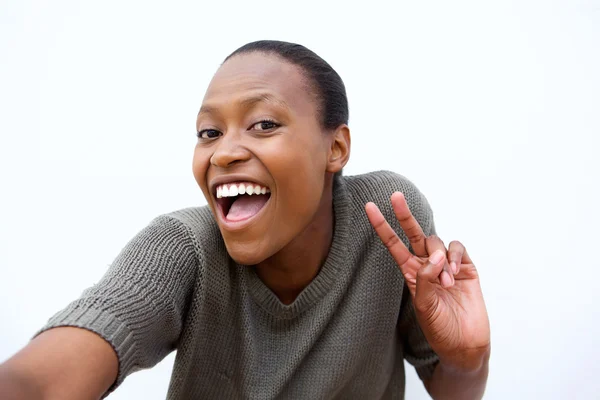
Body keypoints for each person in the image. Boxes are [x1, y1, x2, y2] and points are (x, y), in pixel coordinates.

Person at [0, 40, 490, 399]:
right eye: (209, 132)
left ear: (336, 147)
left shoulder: (387, 221)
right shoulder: (182, 248)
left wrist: (468, 358)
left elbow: (453, 391)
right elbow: (46, 379)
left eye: (264, 124)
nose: (224, 152)